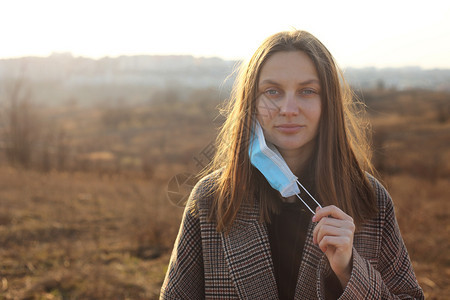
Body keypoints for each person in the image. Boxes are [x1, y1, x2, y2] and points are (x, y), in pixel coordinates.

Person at [160, 30, 424, 299]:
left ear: (328, 103)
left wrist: (349, 270)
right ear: (251, 103)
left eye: (307, 91)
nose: (287, 108)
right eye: (272, 91)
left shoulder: (369, 199)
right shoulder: (213, 198)